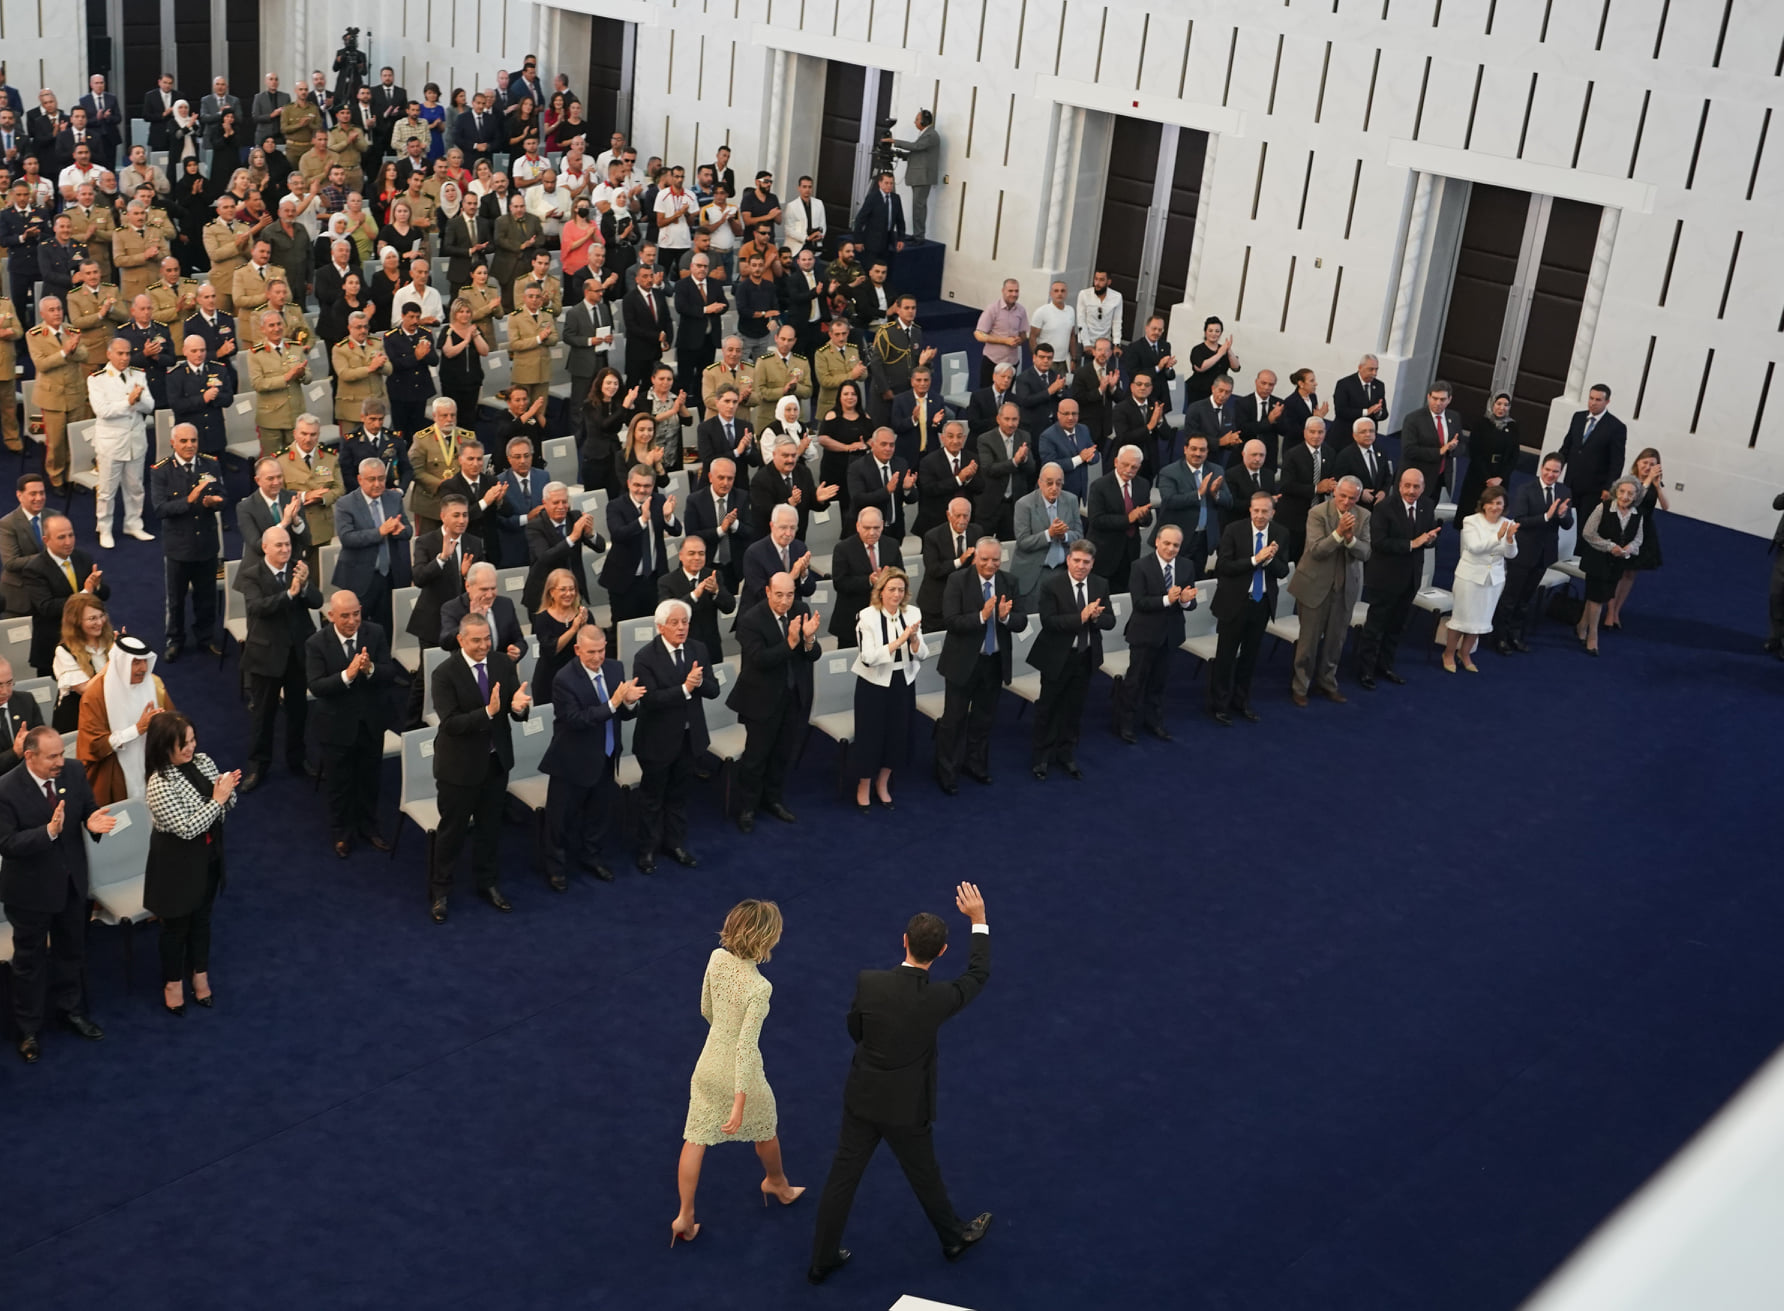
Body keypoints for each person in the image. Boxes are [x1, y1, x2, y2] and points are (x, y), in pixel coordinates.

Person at [808, 881, 994, 1284]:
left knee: (842, 1178)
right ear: (942, 952)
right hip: (907, 1108)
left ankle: (822, 1259)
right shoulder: (940, 998)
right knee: (924, 1174)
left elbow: (855, 1029)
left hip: (862, 1097)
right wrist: (978, 920)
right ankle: (954, 1238)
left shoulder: (869, 982)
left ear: (904, 941)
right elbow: (978, 973)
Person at [674, 899, 805, 1246]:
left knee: (695, 1139)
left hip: (707, 1063)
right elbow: (746, 1049)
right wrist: (738, 1102)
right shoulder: (759, 987)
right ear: (768, 938)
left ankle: (684, 1215)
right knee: (766, 1128)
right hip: (739, 1074)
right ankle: (777, 1184)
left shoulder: (716, 958)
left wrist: (721, 1033)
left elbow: (706, 1008)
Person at [0, 725, 118, 1062]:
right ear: (29, 756)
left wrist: (91, 822)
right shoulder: (5, 790)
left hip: (70, 885)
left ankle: (71, 1010)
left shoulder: (74, 772)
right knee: (29, 963)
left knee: (71, 952)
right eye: (52, 757)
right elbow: (6, 844)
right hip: (29, 894)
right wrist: (48, 833)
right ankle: (28, 1029)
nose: (60, 762)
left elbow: (87, 808)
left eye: (61, 754)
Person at [428, 611, 531, 922]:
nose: (484, 645)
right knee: (452, 832)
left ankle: (487, 882)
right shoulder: (444, 674)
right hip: (458, 769)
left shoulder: (502, 663)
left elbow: (514, 705)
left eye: (487, 638)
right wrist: (488, 712)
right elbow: (451, 723)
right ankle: (440, 890)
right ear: (461, 640)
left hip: (495, 763)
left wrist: (518, 708)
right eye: (476, 640)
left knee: (490, 829)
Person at [142, 712, 239, 1016]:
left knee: (201, 919)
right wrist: (217, 799)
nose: (191, 748)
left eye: (193, 740)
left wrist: (227, 792)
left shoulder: (204, 762)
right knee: (176, 926)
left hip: (208, 856)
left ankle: (200, 974)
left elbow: (226, 808)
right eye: (183, 744)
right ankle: (173, 983)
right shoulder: (159, 783)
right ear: (163, 746)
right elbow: (186, 829)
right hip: (176, 864)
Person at [542, 624, 640, 889]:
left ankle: (591, 855)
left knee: (600, 812)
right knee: (560, 819)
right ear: (577, 649)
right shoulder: (564, 679)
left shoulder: (615, 668)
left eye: (601, 651)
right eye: (591, 652)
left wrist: (629, 702)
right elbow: (576, 719)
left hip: (606, 756)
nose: (597, 657)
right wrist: (614, 703)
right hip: (571, 760)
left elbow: (623, 713)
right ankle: (556, 867)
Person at [630, 598, 719, 873]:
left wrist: (698, 683)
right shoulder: (645, 657)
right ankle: (647, 849)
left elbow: (713, 689)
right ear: (660, 627)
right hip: (656, 740)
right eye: (674, 623)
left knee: (679, 794)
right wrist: (685, 688)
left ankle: (675, 843)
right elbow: (651, 700)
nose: (681, 628)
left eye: (685, 622)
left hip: (689, 738)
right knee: (652, 798)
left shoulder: (698, 648)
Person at [305, 589, 396, 858]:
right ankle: (341, 833)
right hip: (336, 728)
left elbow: (390, 672)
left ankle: (369, 827)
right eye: (345, 616)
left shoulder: (375, 633)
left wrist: (371, 670)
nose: (352, 621)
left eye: (356, 614)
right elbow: (316, 686)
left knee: (370, 780)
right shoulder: (316, 643)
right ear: (331, 616)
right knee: (339, 784)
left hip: (371, 723)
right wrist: (348, 674)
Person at [729, 572, 821, 833]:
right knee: (755, 757)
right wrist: (791, 642)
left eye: (789, 595)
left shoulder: (801, 610)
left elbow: (813, 655)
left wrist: (808, 639)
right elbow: (760, 660)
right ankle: (747, 807)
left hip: (793, 695)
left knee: (782, 752)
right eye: (779, 595)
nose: (784, 601)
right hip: (761, 698)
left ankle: (773, 799)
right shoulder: (750, 619)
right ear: (768, 592)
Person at [933, 539, 1025, 794]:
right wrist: (982, 616)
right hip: (962, 663)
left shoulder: (1009, 581)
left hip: (993, 663)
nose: (990, 564)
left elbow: (1021, 621)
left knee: (984, 719)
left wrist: (1005, 617)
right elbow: (951, 621)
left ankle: (975, 764)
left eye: (995, 559)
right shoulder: (957, 581)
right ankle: (946, 771)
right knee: (954, 720)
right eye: (984, 559)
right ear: (975, 558)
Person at [238, 526, 321, 790]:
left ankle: (297, 759)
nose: (285, 549)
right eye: (279, 545)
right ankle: (258, 766)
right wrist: (289, 594)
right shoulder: (251, 574)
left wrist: (304, 586)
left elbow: (318, 601)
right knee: (263, 715)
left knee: (298, 711)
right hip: (266, 655)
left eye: (287, 544)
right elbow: (257, 607)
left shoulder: (298, 569)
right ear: (265, 548)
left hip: (297, 654)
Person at [1028, 540, 1113, 780]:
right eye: (1076, 560)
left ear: (1092, 564)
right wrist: (1081, 617)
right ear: (1068, 560)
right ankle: (1041, 757)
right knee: (1048, 707)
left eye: (1086, 562)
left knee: (1074, 708)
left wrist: (1096, 618)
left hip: (1085, 657)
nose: (1081, 566)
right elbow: (1049, 621)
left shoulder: (1100, 584)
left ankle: (1066, 753)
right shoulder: (1051, 585)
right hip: (1056, 658)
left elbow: (1110, 621)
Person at [1288, 475, 1371, 706]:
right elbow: (1316, 551)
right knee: (1308, 642)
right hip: (1315, 585)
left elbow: (1366, 553)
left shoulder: (1364, 516)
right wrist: (1338, 533)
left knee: (1336, 640)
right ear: (1335, 492)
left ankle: (1327, 682)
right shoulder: (1317, 513)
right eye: (1342, 496)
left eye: (1352, 498)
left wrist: (1350, 539)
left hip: (1345, 588)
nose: (1346, 502)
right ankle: (1300, 686)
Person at [1356, 470, 1440, 691]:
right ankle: (1366, 670)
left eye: (1416, 486)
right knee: (1375, 627)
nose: (1411, 491)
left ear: (1423, 487)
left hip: (1411, 578)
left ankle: (1386, 666)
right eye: (1407, 486)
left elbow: (1428, 536)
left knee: (1396, 626)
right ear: (1399, 486)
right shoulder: (1384, 508)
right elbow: (1379, 542)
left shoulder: (1427, 505)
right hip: (1385, 578)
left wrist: (1430, 540)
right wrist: (1412, 543)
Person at [1209, 493, 1289, 725]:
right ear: (1250, 510)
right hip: (1235, 602)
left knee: (1250, 656)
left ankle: (1241, 701)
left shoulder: (1281, 533)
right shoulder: (1234, 530)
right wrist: (1256, 559)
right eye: (1256, 510)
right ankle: (1219, 705)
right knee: (1226, 656)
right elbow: (1223, 566)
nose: (1260, 515)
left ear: (1273, 513)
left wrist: (1270, 559)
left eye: (1265, 511)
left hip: (1261, 603)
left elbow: (1283, 571)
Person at [149, 423, 226, 662]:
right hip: (179, 547)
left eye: (193, 440)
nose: (189, 445)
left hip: (206, 545)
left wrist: (215, 502)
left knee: (207, 597)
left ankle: (206, 637)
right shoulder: (161, 470)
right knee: (176, 600)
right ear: (173, 443)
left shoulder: (210, 464)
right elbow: (160, 509)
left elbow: (225, 497)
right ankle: (175, 640)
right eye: (183, 441)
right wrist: (189, 501)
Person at [1119, 523, 1198, 740]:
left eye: (1176, 545)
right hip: (1144, 634)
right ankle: (1125, 723)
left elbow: (1191, 602)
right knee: (1135, 681)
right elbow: (1139, 602)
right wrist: (1167, 599)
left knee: (1159, 682)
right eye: (1167, 543)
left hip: (1170, 635)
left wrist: (1184, 601)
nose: (1171, 549)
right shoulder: (1140, 566)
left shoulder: (1187, 566)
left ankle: (1153, 721)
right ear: (1156, 542)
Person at [1491, 453, 1573, 656]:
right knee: (1511, 597)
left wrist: (1562, 515)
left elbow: (1568, 524)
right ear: (1541, 468)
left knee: (1526, 598)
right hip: (1523, 552)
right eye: (1547, 470)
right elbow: (1520, 520)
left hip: (1545, 553)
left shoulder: (1564, 491)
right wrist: (1547, 516)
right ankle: (1500, 636)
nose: (1550, 474)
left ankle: (1516, 635)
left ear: (1560, 472)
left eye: (1555, 471)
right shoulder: (1526, 489)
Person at [78, 633, 173, 805]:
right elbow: (94, 745)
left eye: (145, 661)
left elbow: (174, 724)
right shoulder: (95, 696)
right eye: (136, 662)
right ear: (121, 663)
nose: (143, 668)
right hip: (114, 771)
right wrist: (136, 730)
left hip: (153, 765)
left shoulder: (154, 684)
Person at [332, 459, 414, 635]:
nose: (377, 484)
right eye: (371, 479)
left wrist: (400, 530)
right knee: (358, 629)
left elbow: (409, 530)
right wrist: (379, 532)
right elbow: (347, 538)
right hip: (360, 577)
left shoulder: (394, 498)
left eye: (381, 478)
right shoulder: (345, 504)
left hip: (392, 576)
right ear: (360, 479)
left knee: (388, 627)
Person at [23, 514, 110, 678]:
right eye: (61, 537)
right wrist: (86, 593)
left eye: (71, 535)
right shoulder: (34, 569)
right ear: (46, 540)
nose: (68, 542)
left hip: (88, 644)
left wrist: (97, 585)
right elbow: (47, 607)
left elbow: (104, 595)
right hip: (54, 646)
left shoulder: (83, 558)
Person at [1444, 486, 1519, 673]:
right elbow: (1474, 547)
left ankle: (1465, 653)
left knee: (1480, 621)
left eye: (1499, 503)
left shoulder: (1508, 523)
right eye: (1491, 503)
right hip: (1469, 578)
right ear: (1483, 505)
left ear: (1504, 505)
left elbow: (1511, 554)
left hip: (1493, 580)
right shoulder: (1471, 521)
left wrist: (1509, 539)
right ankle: (1448, 653)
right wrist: (1498, 536)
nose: (1495, 507)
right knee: (1461, 619)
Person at [602, 464, 683, 621]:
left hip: (654, 579)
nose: (641, 490)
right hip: (624, 581)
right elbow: (618, 535)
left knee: (655, 624)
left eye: (647, 486)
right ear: (628, 484)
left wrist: (668, 517)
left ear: (653, 485)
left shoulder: (659, 501)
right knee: (624, 627)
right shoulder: (615, 506)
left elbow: (677, 531)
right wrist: (643, 520)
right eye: (637, 485)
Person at [1576, 475, 1644, 657]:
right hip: (1597, 561)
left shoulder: (1637, 514)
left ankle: (1581, 626)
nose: (1625, 496)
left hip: (1616, 564)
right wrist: (1609, 546)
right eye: (1622, 491)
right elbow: (1588, 533)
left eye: (1630, 493)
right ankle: (1593, 637)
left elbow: (1638, 539)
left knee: (1596, 597)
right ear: (1616, 491)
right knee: (1597, 599)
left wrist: (1629, 548)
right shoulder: (1603, 507)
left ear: (1636, 496)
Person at [1610, 448, 1668, 629]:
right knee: (1617, 572)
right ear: (1638, 463)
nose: (1648, 467)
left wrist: (1657, 486)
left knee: (1630, 573)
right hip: (1626, 528)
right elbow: (1635, 501)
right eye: (1645, 463)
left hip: (1644, 531)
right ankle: (1610, 611)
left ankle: (1617, 610)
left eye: (1652, 464)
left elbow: (1666, 506)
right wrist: (1648, 481)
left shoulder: (1655, 483)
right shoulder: (1630, 481)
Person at [1011, 462, 1082, 607]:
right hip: (1035, 573)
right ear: (1040, 482)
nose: (1054, 488)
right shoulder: (1024, 504)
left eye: (1059, 483)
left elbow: (1079, 536)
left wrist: (1064, 536)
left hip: (1063, 571)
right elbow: (1023, 541)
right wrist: (1049, 534)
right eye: (1049, 483)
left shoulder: (1071, 500)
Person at [1086, 444, 1153, 590]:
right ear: (1116, 462)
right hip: (1105, 553)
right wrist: (1128, 519)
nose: (1129, 470)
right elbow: (1096, 520)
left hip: (1130, 552)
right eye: (1125, 465)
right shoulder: (1099, 486)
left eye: (1134, 467)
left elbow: (1147, 519)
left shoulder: (1143, 484)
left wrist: (1143, 517)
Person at [658, 537, 736, 662]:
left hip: (710, 646)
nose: (697, 558)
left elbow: (730, 607)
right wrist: (694, 595)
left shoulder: (713, 576)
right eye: (691, 553)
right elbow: (668, 614)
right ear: (681, 556)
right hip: (682, 647)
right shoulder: (666, 582)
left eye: (701, 553)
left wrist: (716, 591)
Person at [1558, 384, 1628, 520]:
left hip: (1594, 488)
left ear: (1607, 402)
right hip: (1571, 482)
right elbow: (1567, 447)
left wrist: (1609, 487)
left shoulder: (1616, 427)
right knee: (1565, 520)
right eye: (1591, 398)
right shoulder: (1578, 417)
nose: (1593, 403)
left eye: (1598, 400)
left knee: (1584, 523)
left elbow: (1617, 462)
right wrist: (1556, 469)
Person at [1455, 392, 1520, 530]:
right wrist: (1488, 478)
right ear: (1492, 404)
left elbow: (1514, 456)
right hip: (1479, 475)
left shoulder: (1512, 427)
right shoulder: (1480, 424)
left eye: (1506, 405)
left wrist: (1500, 477)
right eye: (1499, 404)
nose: (1502, 408)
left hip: (1500, 477)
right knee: (1472, 510)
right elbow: (1475, 452)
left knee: (1494, 512)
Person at [1399, 381, 1462, 505]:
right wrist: (1439, 451)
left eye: (1442, 399)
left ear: (1449, 399)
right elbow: (1409, 450)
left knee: (1429, 511)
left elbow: (1462, 445)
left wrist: (1453, 448)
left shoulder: (1454, 417)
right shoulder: (1413, 419)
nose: (1438, 403)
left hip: (1439, 478)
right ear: (1428, 397)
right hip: (1416, 480)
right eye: (1435, 398)